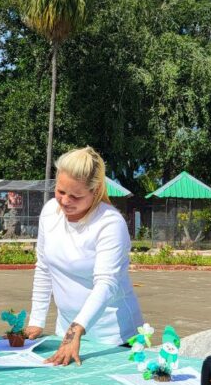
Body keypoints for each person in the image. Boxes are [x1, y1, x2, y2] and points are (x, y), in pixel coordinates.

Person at [23, 147, 143, 365]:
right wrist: (36, 320)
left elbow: (106, 284)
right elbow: (43, 268)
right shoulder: (50, 212)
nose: (65, 201)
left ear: (95, 192)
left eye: (75, 196)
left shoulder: (110, 223)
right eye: (60, 191)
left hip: (114, 338)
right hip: (67, 333)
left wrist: (76, 330)